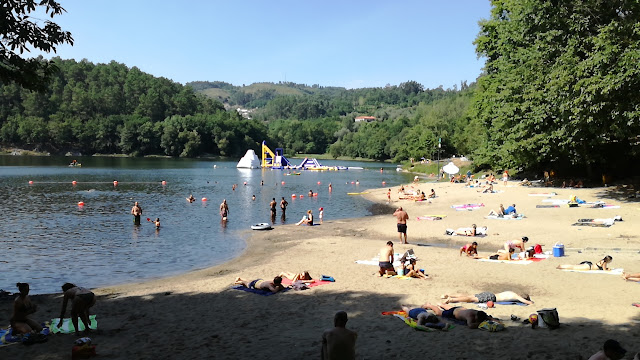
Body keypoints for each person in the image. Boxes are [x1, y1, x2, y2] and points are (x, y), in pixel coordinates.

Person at [422, 303, 490, 329]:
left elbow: (488, 317)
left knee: (451, 308)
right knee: (439, 313)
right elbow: (470, 325)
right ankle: (429, 305)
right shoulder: (470, 316)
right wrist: (480, 323)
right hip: (453, 313)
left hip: (459, 309)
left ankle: (442, 304)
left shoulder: (476, 312)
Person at [442, 291, 534, 305]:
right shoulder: (516, 296)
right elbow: (527, 302)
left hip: (490, 294)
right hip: (491, 297)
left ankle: (449, 295)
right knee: (471, 299)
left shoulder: (511, 292)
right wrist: (531, 303)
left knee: (470, 296)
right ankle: (452, 300)